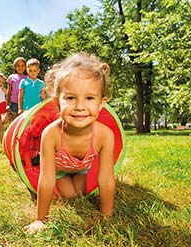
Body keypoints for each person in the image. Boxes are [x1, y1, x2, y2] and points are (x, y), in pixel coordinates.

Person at [23, 53, 115, 234]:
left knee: (80, 196)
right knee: (71, 197)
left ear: (101, 104)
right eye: (71, 98)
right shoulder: (51, 134)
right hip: (59, 169)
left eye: (89, 98)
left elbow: (106, 180)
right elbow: (47, 179)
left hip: (81, 167)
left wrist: (107, 214)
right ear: (57, 103)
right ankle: (64, 182)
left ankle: (75, 180)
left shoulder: (105, 135)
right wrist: (40, 220)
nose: (80, 106)